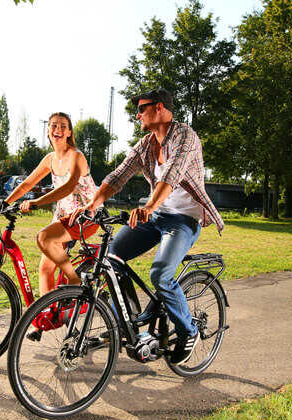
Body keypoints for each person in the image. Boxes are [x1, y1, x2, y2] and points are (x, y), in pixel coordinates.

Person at [70, 88, 224, 364]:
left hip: (184, 219)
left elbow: (174, 174)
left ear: (161, 108)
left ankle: (188, 331)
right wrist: (93, 203)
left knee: (161, 273)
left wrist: (149, 206)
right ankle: (126, 324)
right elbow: (119, 175)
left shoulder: (185, 136)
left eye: (142, 109)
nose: (137, 115)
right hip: (155, 216)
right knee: (110, 259)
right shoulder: (146, 144)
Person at [0, 112, 99, 295]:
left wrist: (36, 202)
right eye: (54, 125)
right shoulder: (50, 159)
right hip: (63, 216)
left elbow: (69, 187)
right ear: (48, 130)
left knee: (43, 237)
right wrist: (5, 203)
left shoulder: (77, 156)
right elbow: (28, 183)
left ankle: (75, 280)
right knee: (46, 268)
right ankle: (44, 319)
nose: (58, 129)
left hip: (86, 216)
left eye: (63, 126)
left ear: (69, 132)